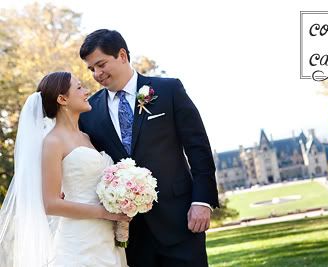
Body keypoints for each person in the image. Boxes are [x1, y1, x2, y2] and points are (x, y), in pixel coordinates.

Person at [79, 29, 219, 266]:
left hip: (181, 220)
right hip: (129, 233)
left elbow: (198, 148)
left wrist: (202, 201)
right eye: (91, 69)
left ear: (122, 55)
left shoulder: (168, 90)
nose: (97, 74)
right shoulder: (89, 112)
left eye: (101, 64)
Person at [0, 72, 129, 267]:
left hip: (106, 239)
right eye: (79, 88)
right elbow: (51, 204)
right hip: (77, 243)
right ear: (62, 99)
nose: (86, 91)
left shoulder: (87, 137)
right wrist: (104, 213)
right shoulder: (53, 141)